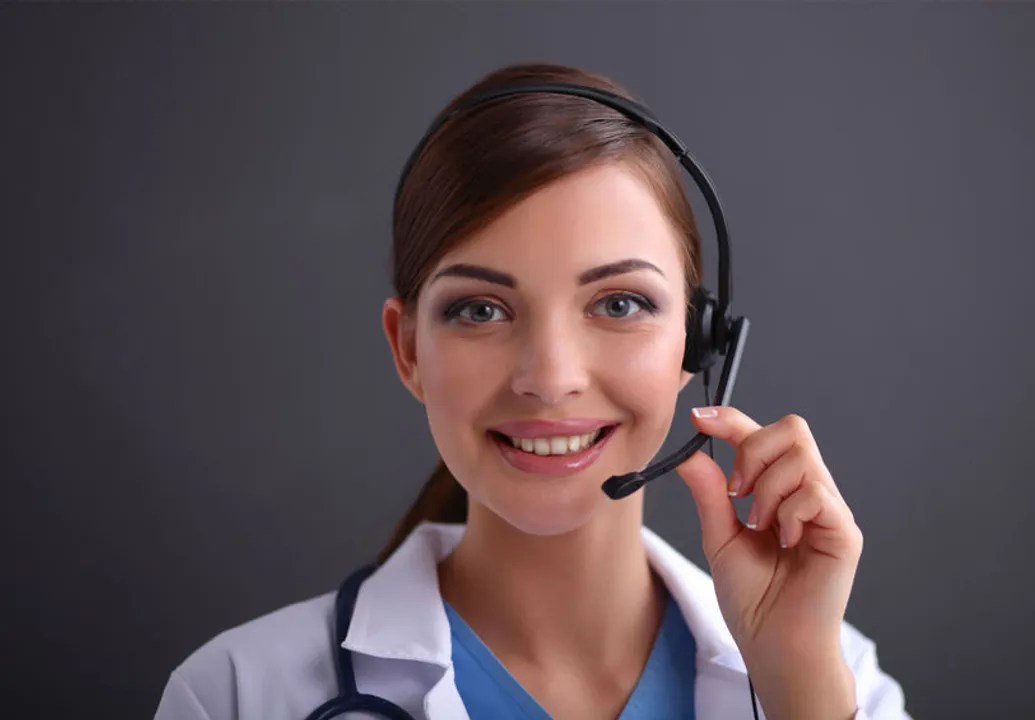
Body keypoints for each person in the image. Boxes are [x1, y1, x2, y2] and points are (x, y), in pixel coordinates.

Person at [153, 62, 910, 720]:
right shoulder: (233, 695)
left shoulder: (832, 679)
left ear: (699, 341)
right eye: (480, 310)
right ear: (407, 348)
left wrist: (800, 690)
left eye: (618, 304)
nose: (549, 378)